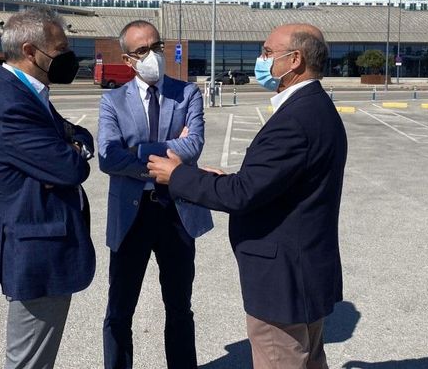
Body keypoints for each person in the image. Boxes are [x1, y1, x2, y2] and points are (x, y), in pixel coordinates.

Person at [148, 24, 347, 369]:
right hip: (304, 270)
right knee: (310, 360)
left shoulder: (295, 119)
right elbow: (271, 183)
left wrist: (177, 175)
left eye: (268, 52)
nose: (261, 59)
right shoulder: (316, 107)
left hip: (282, 279)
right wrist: (218, 178)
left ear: (295, 60)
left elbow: (242, 196)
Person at [0, 8, 95, 369]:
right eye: (60, 50)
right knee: (28, 362)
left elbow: (79, 137)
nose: (68, 58)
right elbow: (71, 166)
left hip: (48, 248)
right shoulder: (11, 105)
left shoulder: (30, 92)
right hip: (38, 254)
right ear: (31, 51)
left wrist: (67, 146)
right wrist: (67, 153)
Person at [98, 20, 212, 369]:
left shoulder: (187, 92)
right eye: (143, 51)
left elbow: (193, 145)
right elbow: (107, 156)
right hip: (131, 214)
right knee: (120, 309)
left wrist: (136, 151)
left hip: (175, 211)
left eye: (157, 47)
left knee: (179, 306)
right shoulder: (112, 100)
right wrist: (163, 153)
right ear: (128, 59)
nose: (153, 56)